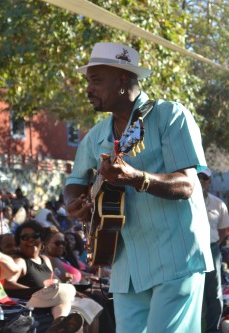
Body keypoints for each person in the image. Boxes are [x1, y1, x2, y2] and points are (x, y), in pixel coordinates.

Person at [64, 42, 212, 333]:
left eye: (96, 80)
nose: (88, 89)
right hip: (125, 264)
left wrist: (137, 178)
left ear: (122, 80)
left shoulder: (170, 116)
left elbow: (187, 184)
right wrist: (76, 205)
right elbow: (75, 183)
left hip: (175, 257)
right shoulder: (95, 137)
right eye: (88, 82)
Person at [198, 167, 229, 332]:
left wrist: (214, 245)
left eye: (204, 178)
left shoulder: (218, 204)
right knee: (191, 290)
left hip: (212, 249)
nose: (201, 181)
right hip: (189, 250)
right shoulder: (183, 201)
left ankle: (212, 329)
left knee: (214, 291)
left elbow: (223, 230)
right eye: (198, 177)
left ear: (209, 181)